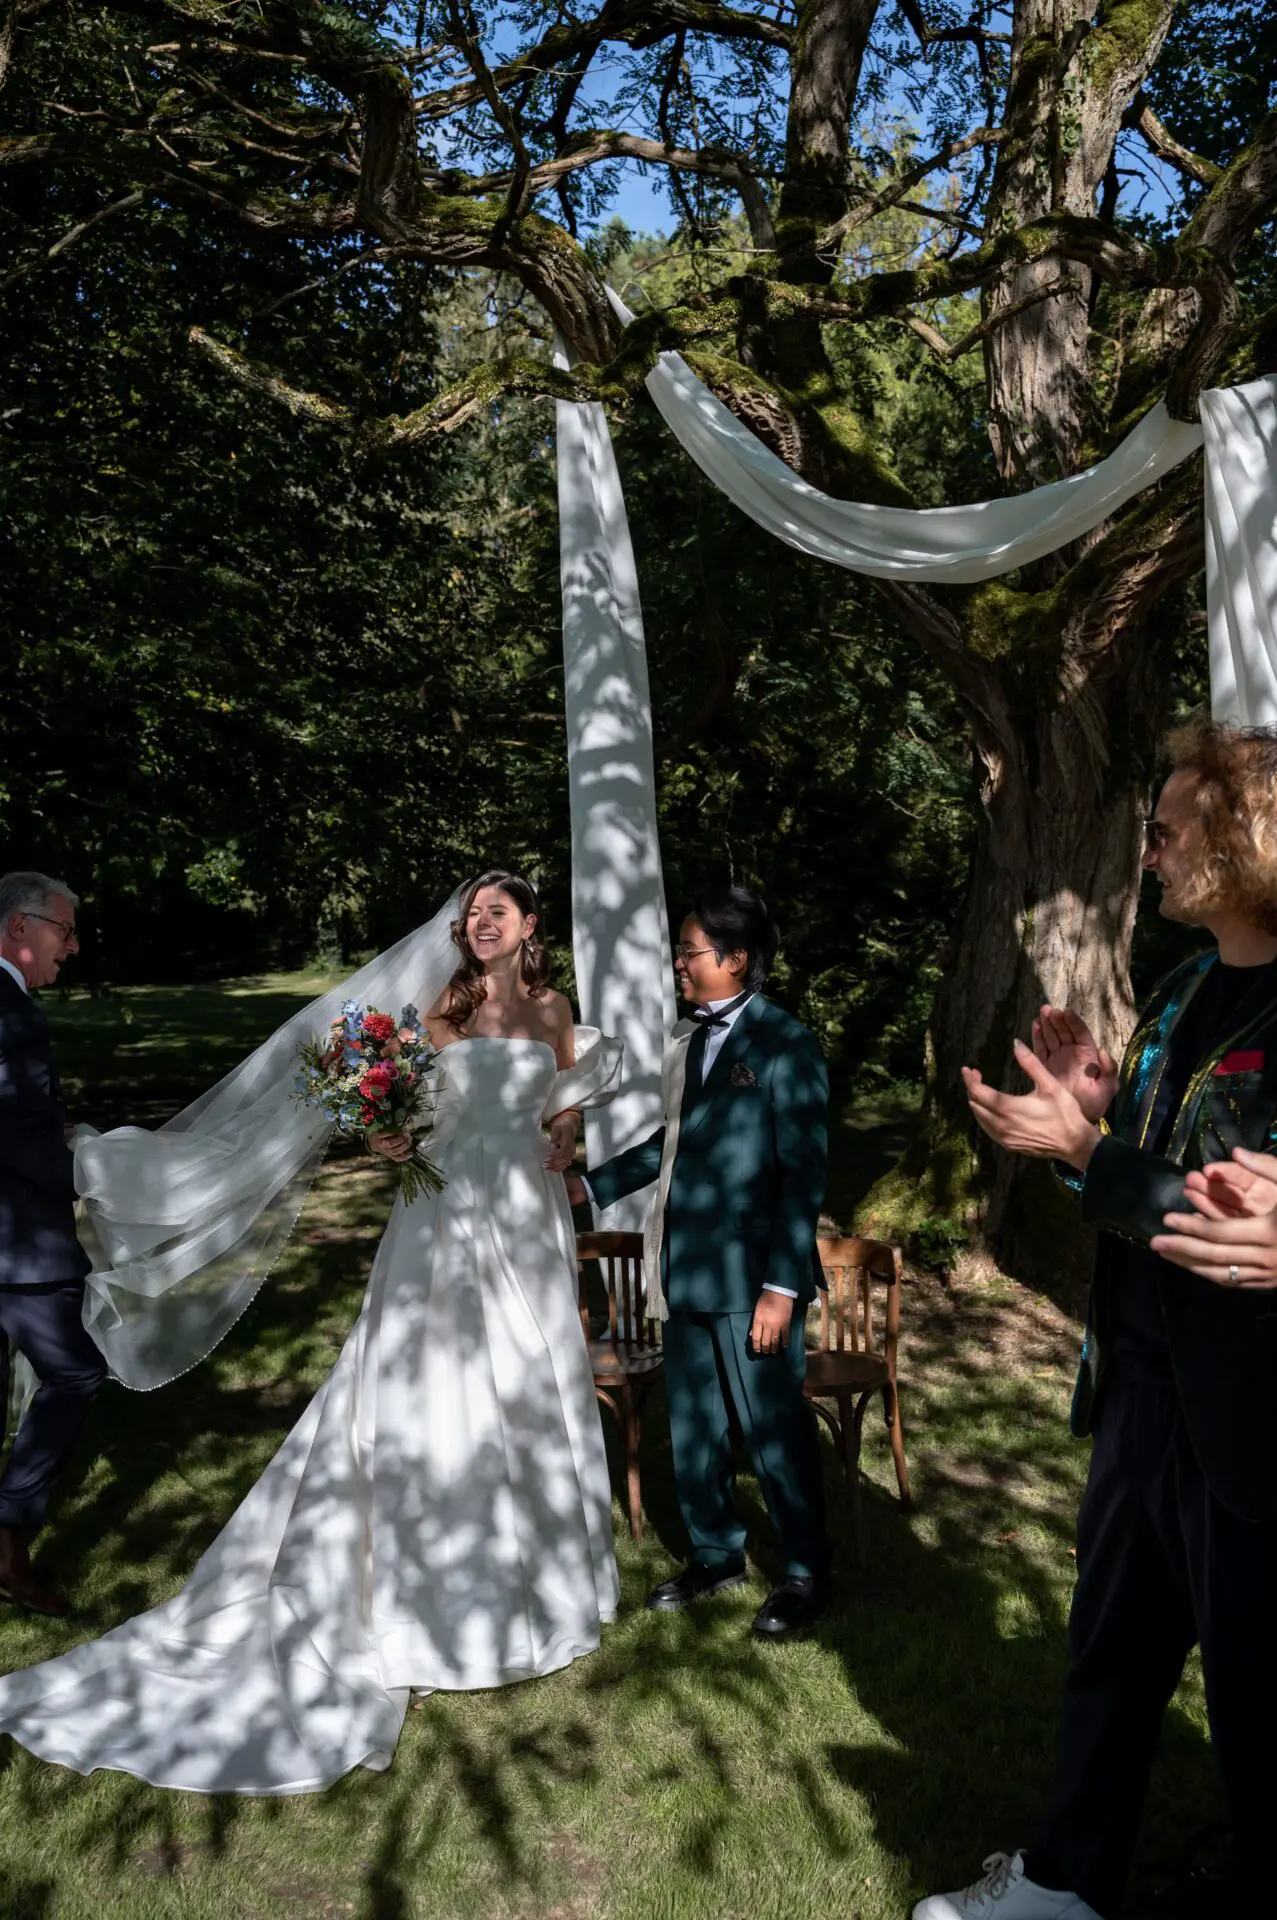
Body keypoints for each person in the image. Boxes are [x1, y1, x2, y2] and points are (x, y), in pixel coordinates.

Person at [0, 870, 623, 1794]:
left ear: (532, 925)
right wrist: (385, 1136)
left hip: (528, 1222)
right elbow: (397, 1116)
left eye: (501, 911)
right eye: (472, 912)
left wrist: (563, 1138)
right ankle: (426, 1608)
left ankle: (542, 1586)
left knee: (527, 1387)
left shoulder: (553, 1008)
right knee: (430, 1394)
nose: (482, 923)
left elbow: (561, 1103)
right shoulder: (435, 1017)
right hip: (444, 1225)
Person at [915, 719, 1277, 1920]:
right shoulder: (1179, 988)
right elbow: (1167, 1172)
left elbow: (1234, 1222)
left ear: (1248, 829)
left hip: (1252, 1417)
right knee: (1109, 1658)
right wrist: (1092, 1114)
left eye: (1171, 820)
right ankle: (1062, 1886)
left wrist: (1086, 1150)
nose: (1152, 841)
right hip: (1137, 1386)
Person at [569, 885, 834, 1639]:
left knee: (771, 1426)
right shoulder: (687, 1041)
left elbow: (801, 1173)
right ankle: (716, 1553)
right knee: (693, 1425)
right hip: (684, 1265)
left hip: (756, 1278)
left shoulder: (788, 1044)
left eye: (688, 952)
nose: (677, 965)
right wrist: (586, 1186)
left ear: (735, 960)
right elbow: (670, 1143)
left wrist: (782, 1288)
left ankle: (807, 1570)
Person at [0, 870, 105, 1618]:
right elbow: (16, 1132)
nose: (71, 946)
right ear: (19, 929)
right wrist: (91, 1177)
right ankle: (8, 1534)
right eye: (63, 930)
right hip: (22, 1248)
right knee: (74, 1376)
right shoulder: (13, 1015)